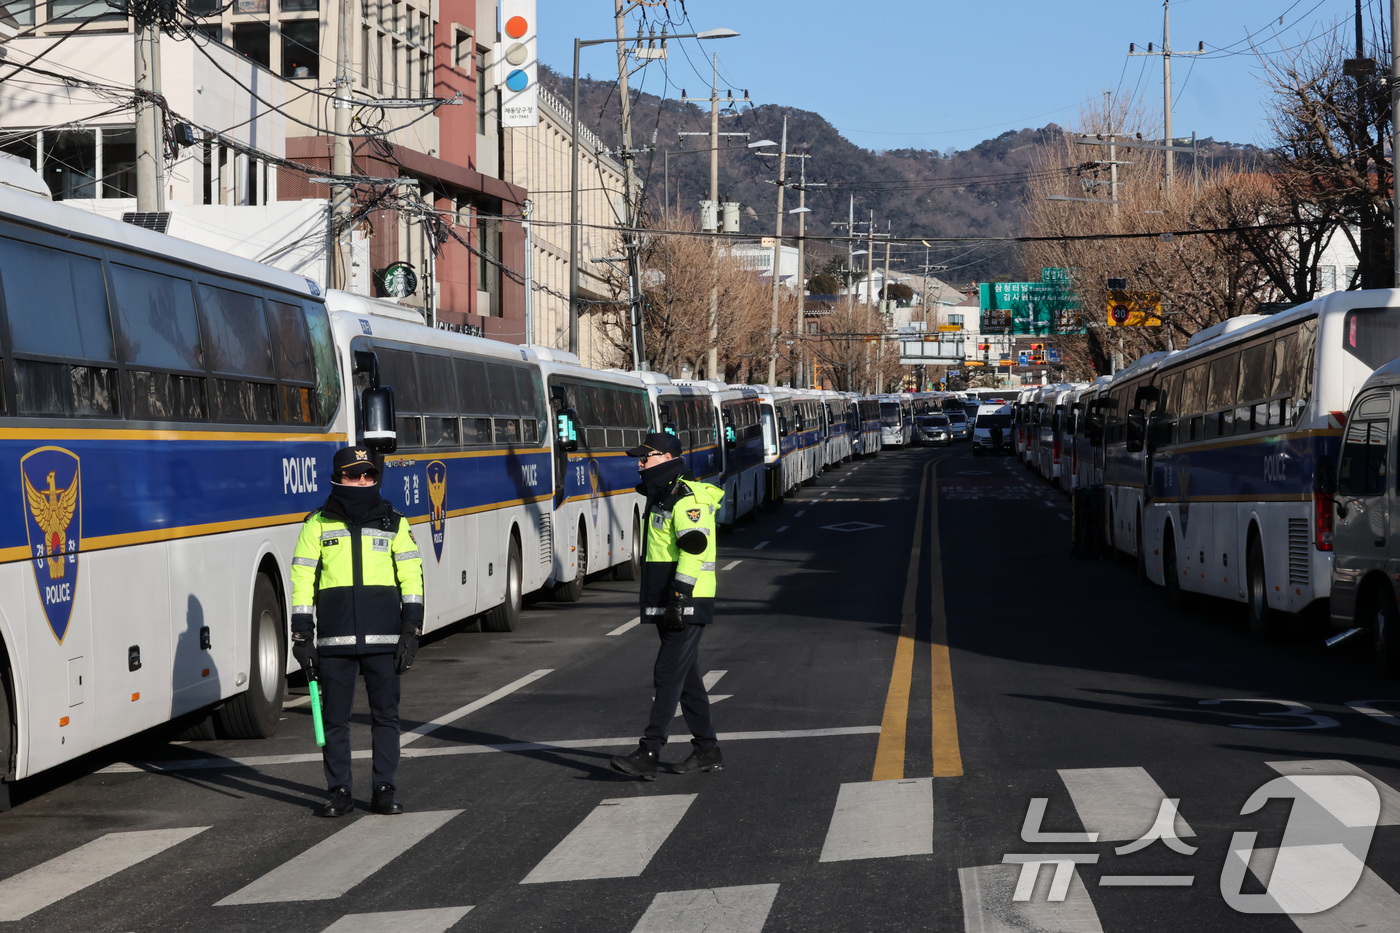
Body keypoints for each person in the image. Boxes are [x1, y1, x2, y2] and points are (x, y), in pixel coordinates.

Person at [290, 445, 424, 816]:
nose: (362, 481)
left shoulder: (395, 522)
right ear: (337, 479)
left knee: (386, 718)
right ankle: (340, 792)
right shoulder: (316, 524)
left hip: (384, 640)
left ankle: (384, 788)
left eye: (368, 475)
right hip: (334, 642)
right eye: (353, 475)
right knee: (335, 721)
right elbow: (302, 580)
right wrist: (301, 636)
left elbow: (411, 576)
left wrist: (412, 629)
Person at [611, 432, 725, 780]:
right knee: (686, 679)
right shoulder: (662, 496)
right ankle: (707, 750)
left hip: (686, 600)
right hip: (668, 600)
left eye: (646, 458)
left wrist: (678, 596)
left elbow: (695, 550)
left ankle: (650, 750)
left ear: (668, 458)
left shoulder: (685, 499)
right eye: (639, 459)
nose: (640, 463)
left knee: (667, 673)